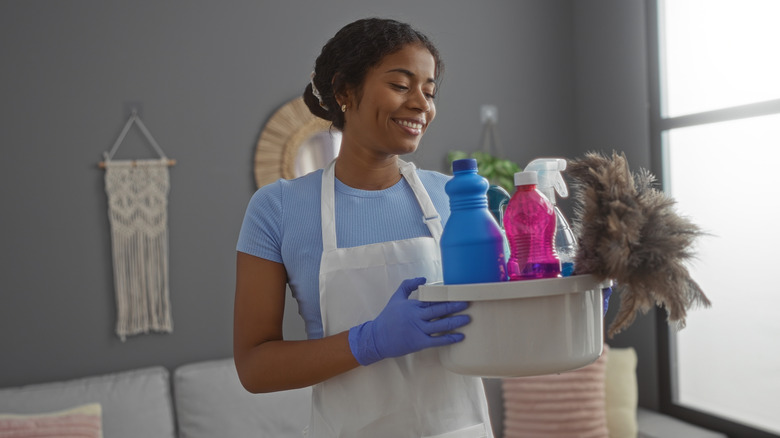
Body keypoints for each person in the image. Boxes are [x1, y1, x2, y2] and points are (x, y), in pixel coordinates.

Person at [234, 17, 494, 437]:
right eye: (400, 85)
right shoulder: (277, 209)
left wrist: (559, 301)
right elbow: (254, 367)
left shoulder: (451, 198)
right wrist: (367, 341)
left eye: (429, 91)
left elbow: (492, 319)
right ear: (344, 92)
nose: (421, 104)